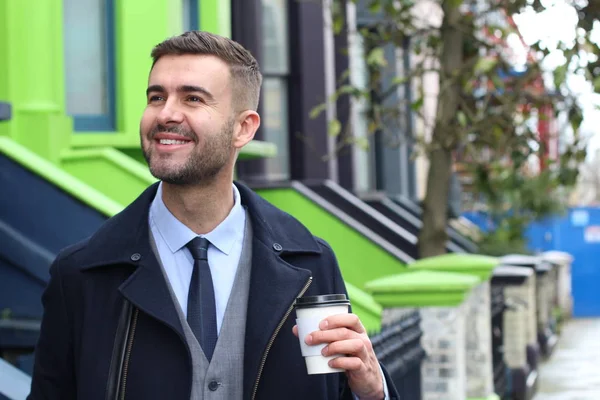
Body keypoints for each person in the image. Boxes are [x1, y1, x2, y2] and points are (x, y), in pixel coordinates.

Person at [27, 31, 398, 400]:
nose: (167, 113)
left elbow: (331, 391)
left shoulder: (311, 265)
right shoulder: (81, 274)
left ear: (243, 128)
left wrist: (373, 392)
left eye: (192, 98)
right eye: (156, 97)